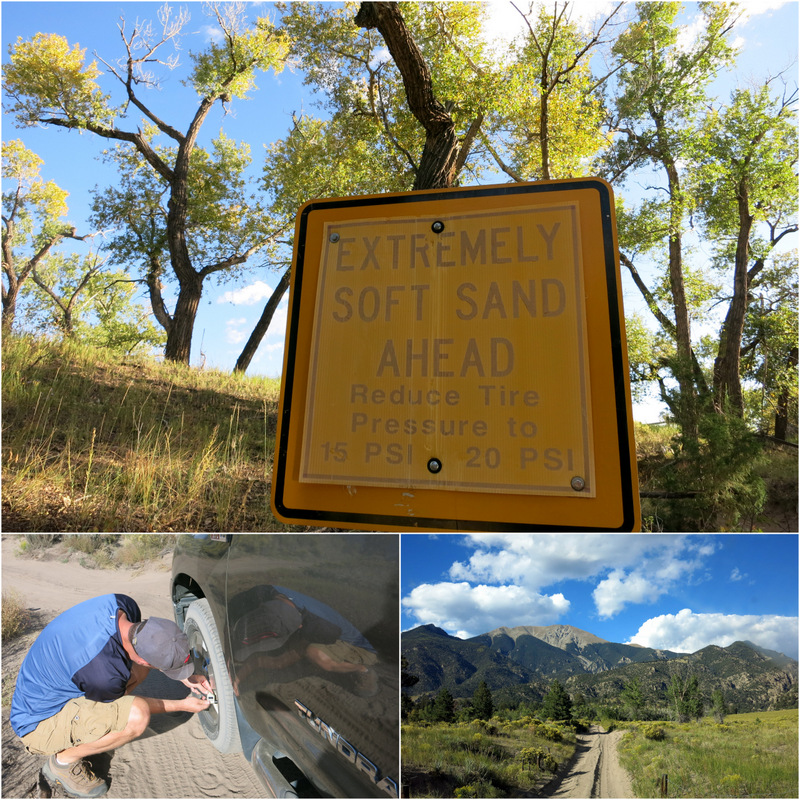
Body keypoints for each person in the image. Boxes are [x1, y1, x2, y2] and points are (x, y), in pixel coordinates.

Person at [10, 593, 211, 799]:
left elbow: (149, 647)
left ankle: (93, 729)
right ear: (143, 658)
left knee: (134, 675)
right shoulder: (103, 675)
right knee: (136, 716)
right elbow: (136, 705)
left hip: (50, 682)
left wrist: (183, 673)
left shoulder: (124, 605)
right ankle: (62, 763)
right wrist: (182, 705)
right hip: (37, 724)